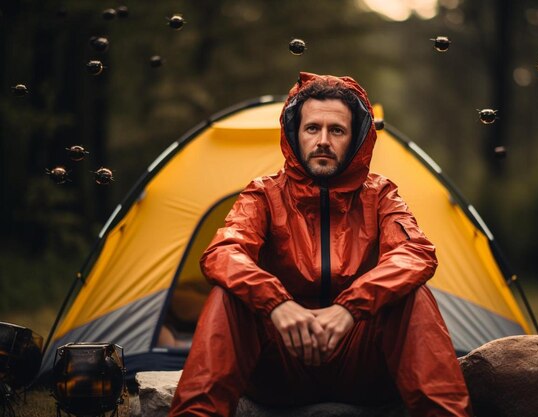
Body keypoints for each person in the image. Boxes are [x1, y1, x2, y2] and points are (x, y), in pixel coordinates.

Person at [168, 72, 472, 417]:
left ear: (355, 138)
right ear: (295, 135)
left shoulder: (380, 194)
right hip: (281, 370)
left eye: (337, 130)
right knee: (229, 294)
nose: (323, 140)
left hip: (362, 369)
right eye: (313, 128)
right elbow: (223, 253)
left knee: (412, 294)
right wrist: (276, 303)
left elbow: (415, 253)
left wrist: (350, 308)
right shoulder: (264, 194)